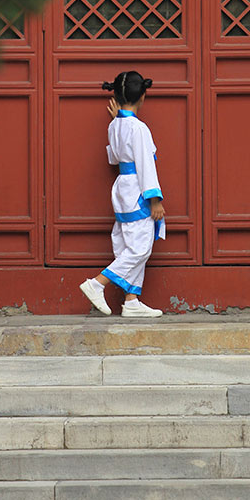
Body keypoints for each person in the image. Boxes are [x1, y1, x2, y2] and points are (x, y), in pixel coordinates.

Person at [79, 70, 166, 318]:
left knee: (130, 243)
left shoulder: (115, 123)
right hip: (137, 189)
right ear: (143, 96)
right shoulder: (138, 128)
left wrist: (116, 121)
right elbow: (146, 164)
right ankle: (97, 284)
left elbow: (114, 157)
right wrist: (155, 199)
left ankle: (131, 301)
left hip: (122, 188)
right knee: (140, 249)